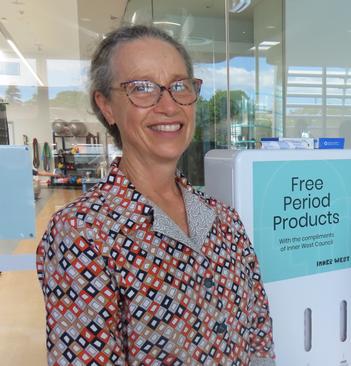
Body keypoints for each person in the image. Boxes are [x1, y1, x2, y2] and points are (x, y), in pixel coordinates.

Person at [36, 25, 275, 365]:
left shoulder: (224, 220)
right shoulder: (83, 233)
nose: (169, 106)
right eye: (142, 88)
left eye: (179, 86)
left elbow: (258, 334)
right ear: (105, 106)